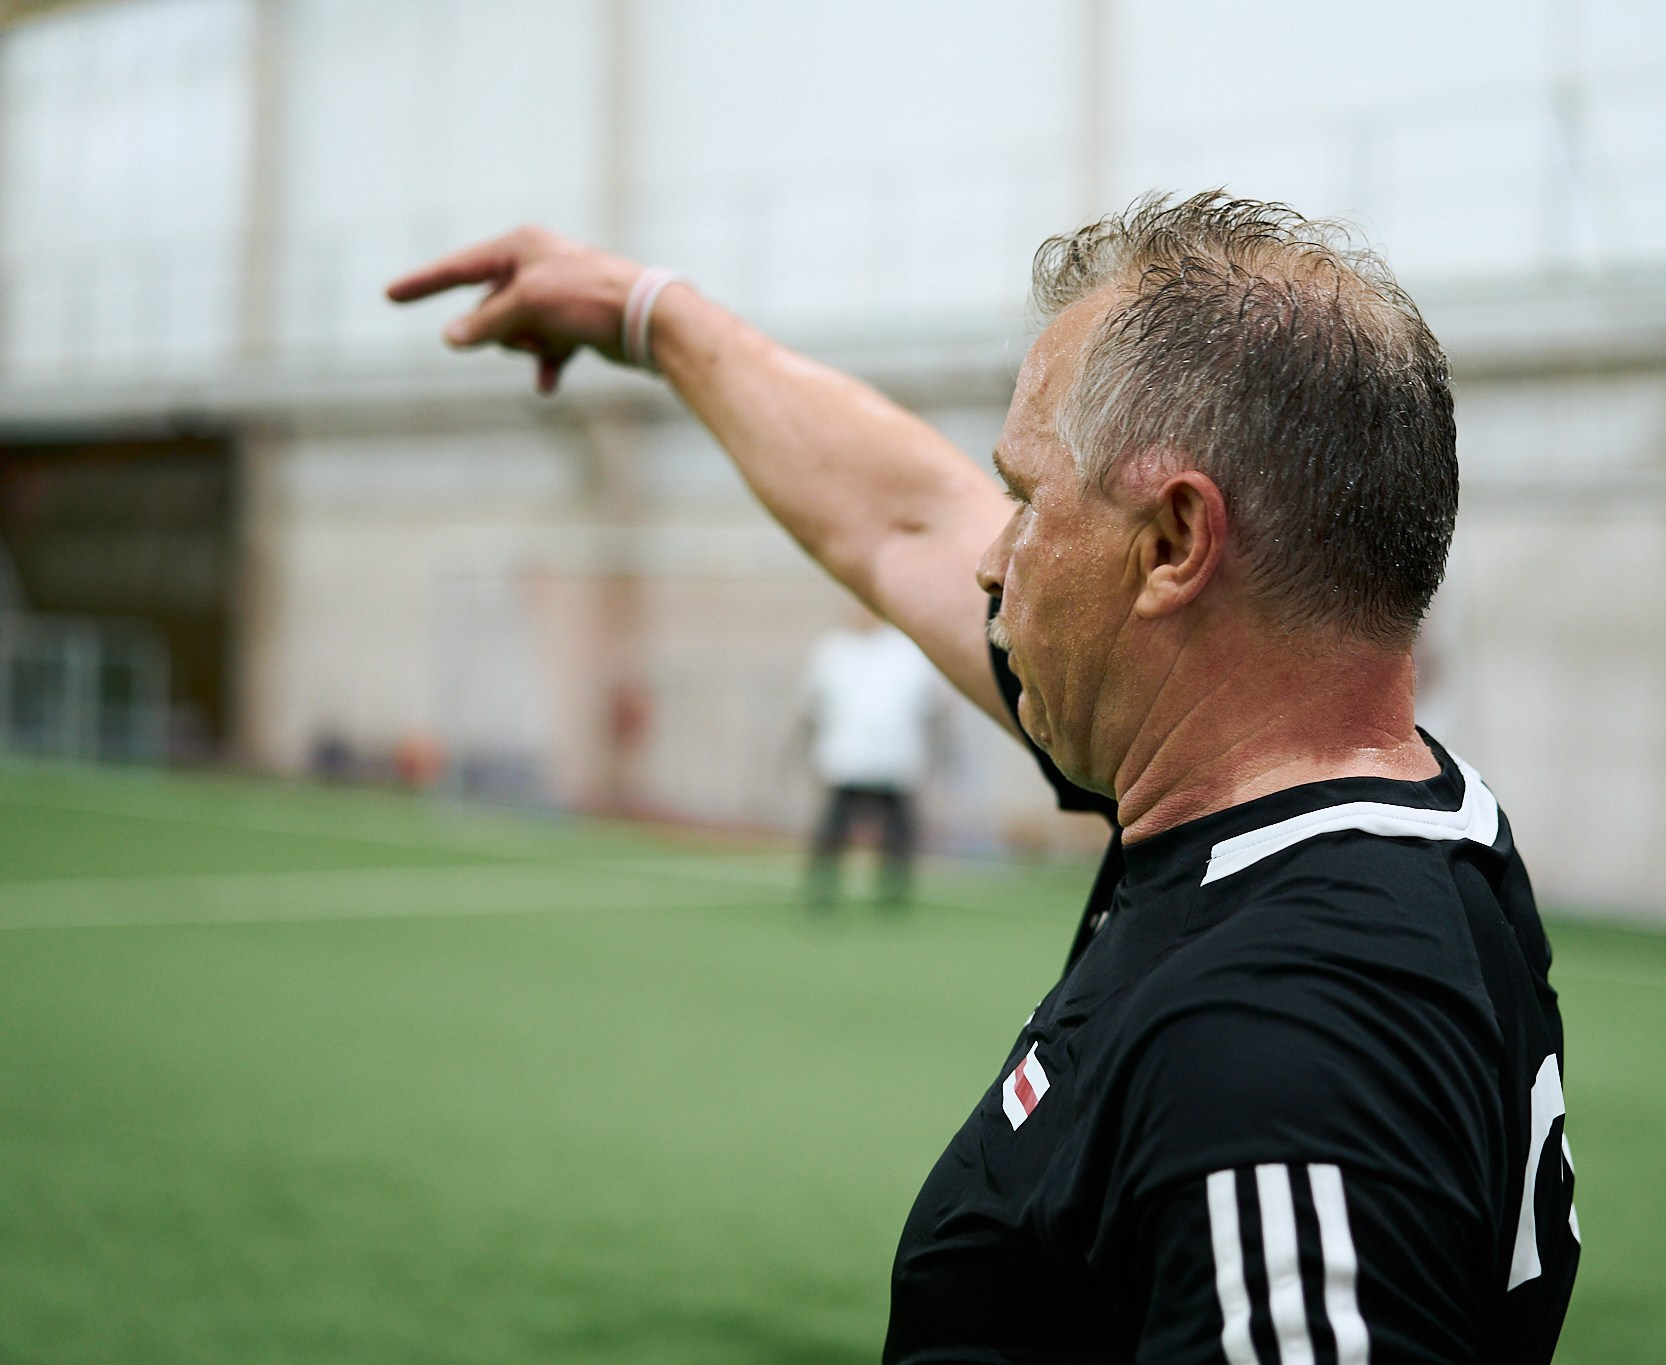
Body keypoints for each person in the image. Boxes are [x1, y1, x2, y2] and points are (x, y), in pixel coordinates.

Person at [388, 192, 1578, 1364]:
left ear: (1172, 544)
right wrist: (651, 314)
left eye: (1023, 499)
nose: (991, 559)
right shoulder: (1338, 804)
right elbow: (899, 523)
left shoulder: (1283, 1041)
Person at [800, 605, 943, 910]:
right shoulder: (833, 650)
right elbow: (812, 705)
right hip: (846, 756)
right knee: (833, 829)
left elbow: (931, 705)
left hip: (894, 757)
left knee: (898, 832)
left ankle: (894, 895)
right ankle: (821, 891)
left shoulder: (906, 652)